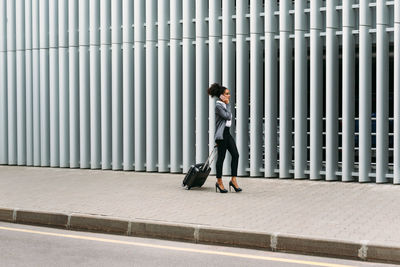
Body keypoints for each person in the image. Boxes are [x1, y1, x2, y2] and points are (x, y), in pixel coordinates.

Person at [207, 83, 241, 193]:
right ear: (221, 95)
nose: (229, 95)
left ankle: (233, 180)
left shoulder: (224, 105)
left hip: (227, 134)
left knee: (235, 155)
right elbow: (228, 116)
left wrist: (227, 104)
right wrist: (228, 104)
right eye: (227, 94)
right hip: (221, 136)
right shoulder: (218, 106)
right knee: (221, 159)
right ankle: (219, 182)